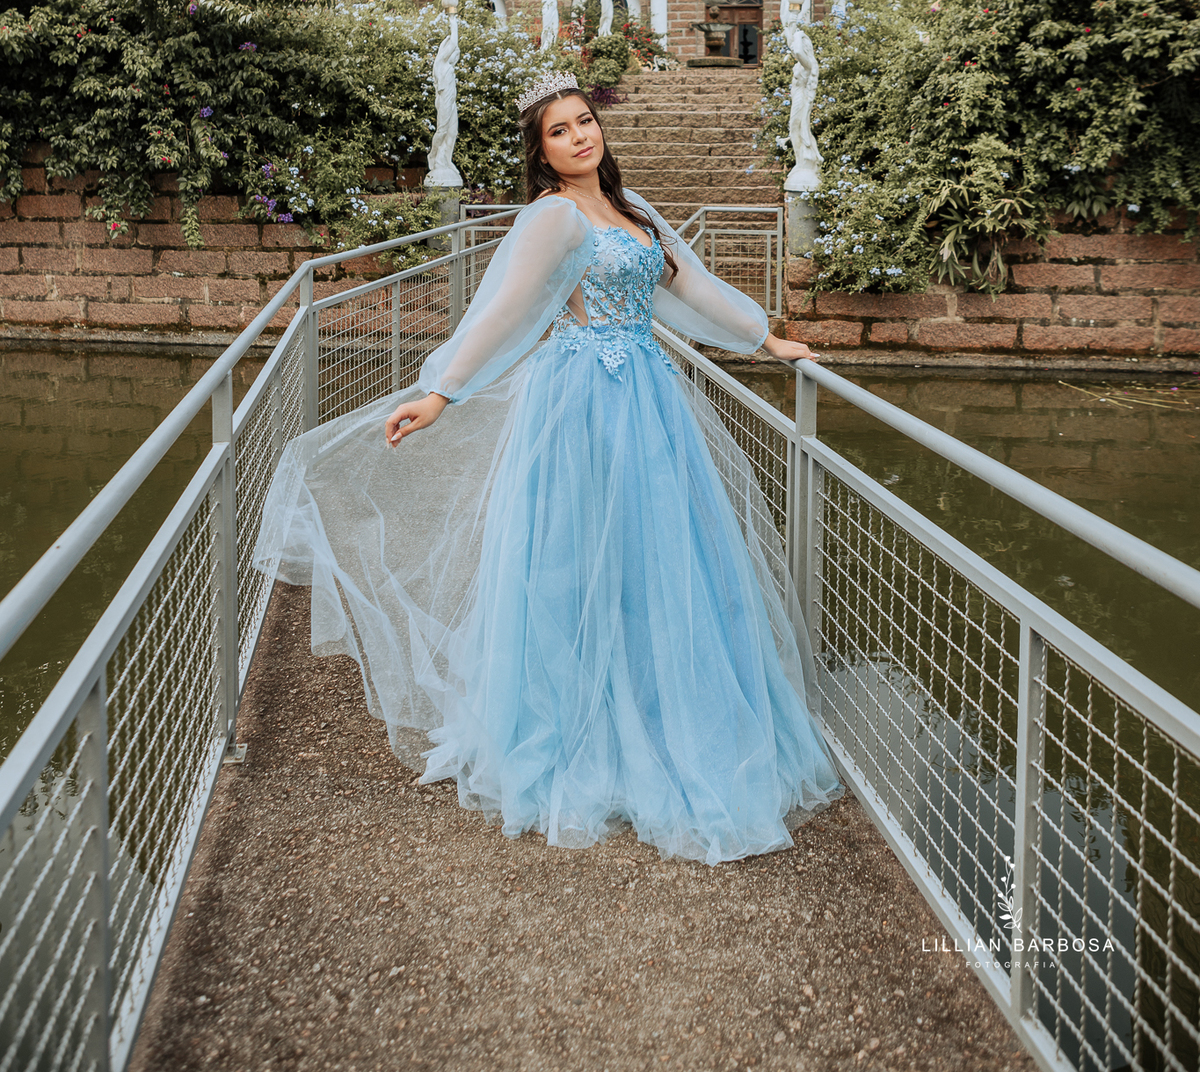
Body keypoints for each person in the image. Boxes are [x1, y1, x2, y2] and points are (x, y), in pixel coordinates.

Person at [254, 73, 843, 865]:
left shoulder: (633, 213)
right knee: (574, 560)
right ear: (541, 152)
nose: (579, 137)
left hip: (648, 403)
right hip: (580, 409)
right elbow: (502, 312)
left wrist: (764, 339)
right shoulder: (552, 218)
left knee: (657, 557)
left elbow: (691, 286)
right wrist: (441, 392)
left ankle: (664, 710)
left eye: (584, 121)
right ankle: (578, 727)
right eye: (560, 131)